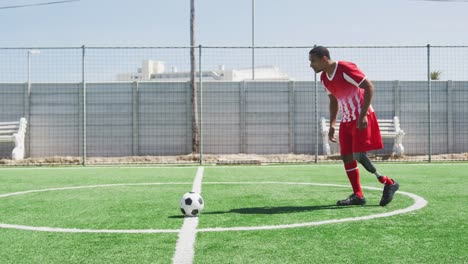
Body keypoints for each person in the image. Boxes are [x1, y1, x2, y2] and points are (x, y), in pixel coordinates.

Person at [309, 46, 399, 206]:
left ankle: (389, 182)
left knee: (358, 155)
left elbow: (369, 87)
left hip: (362, 117)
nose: (311, 65)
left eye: (313, 61)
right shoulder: (323, 78)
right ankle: (358, 195)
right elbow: (333, 101)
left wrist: (363, 114)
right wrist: (332, 124)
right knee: (347, 157)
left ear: (324, 59)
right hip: (347, 120)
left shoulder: (345, 68)